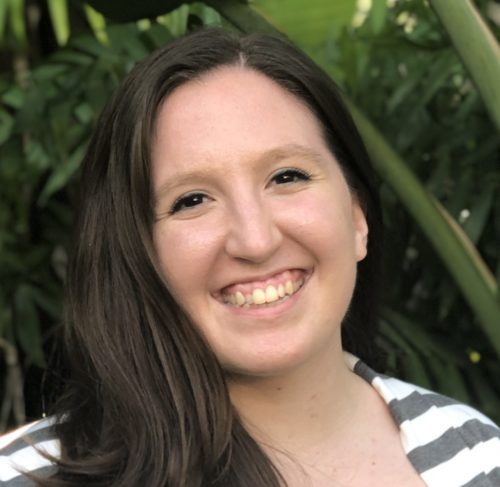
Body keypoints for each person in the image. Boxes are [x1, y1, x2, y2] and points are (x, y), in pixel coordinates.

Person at [1, 27, 499, 487]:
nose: (256, 240)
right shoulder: (30, 476)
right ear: (137, 253)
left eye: (287, 177)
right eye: (191, 200)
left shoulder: (479, 456)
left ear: (356, 219)